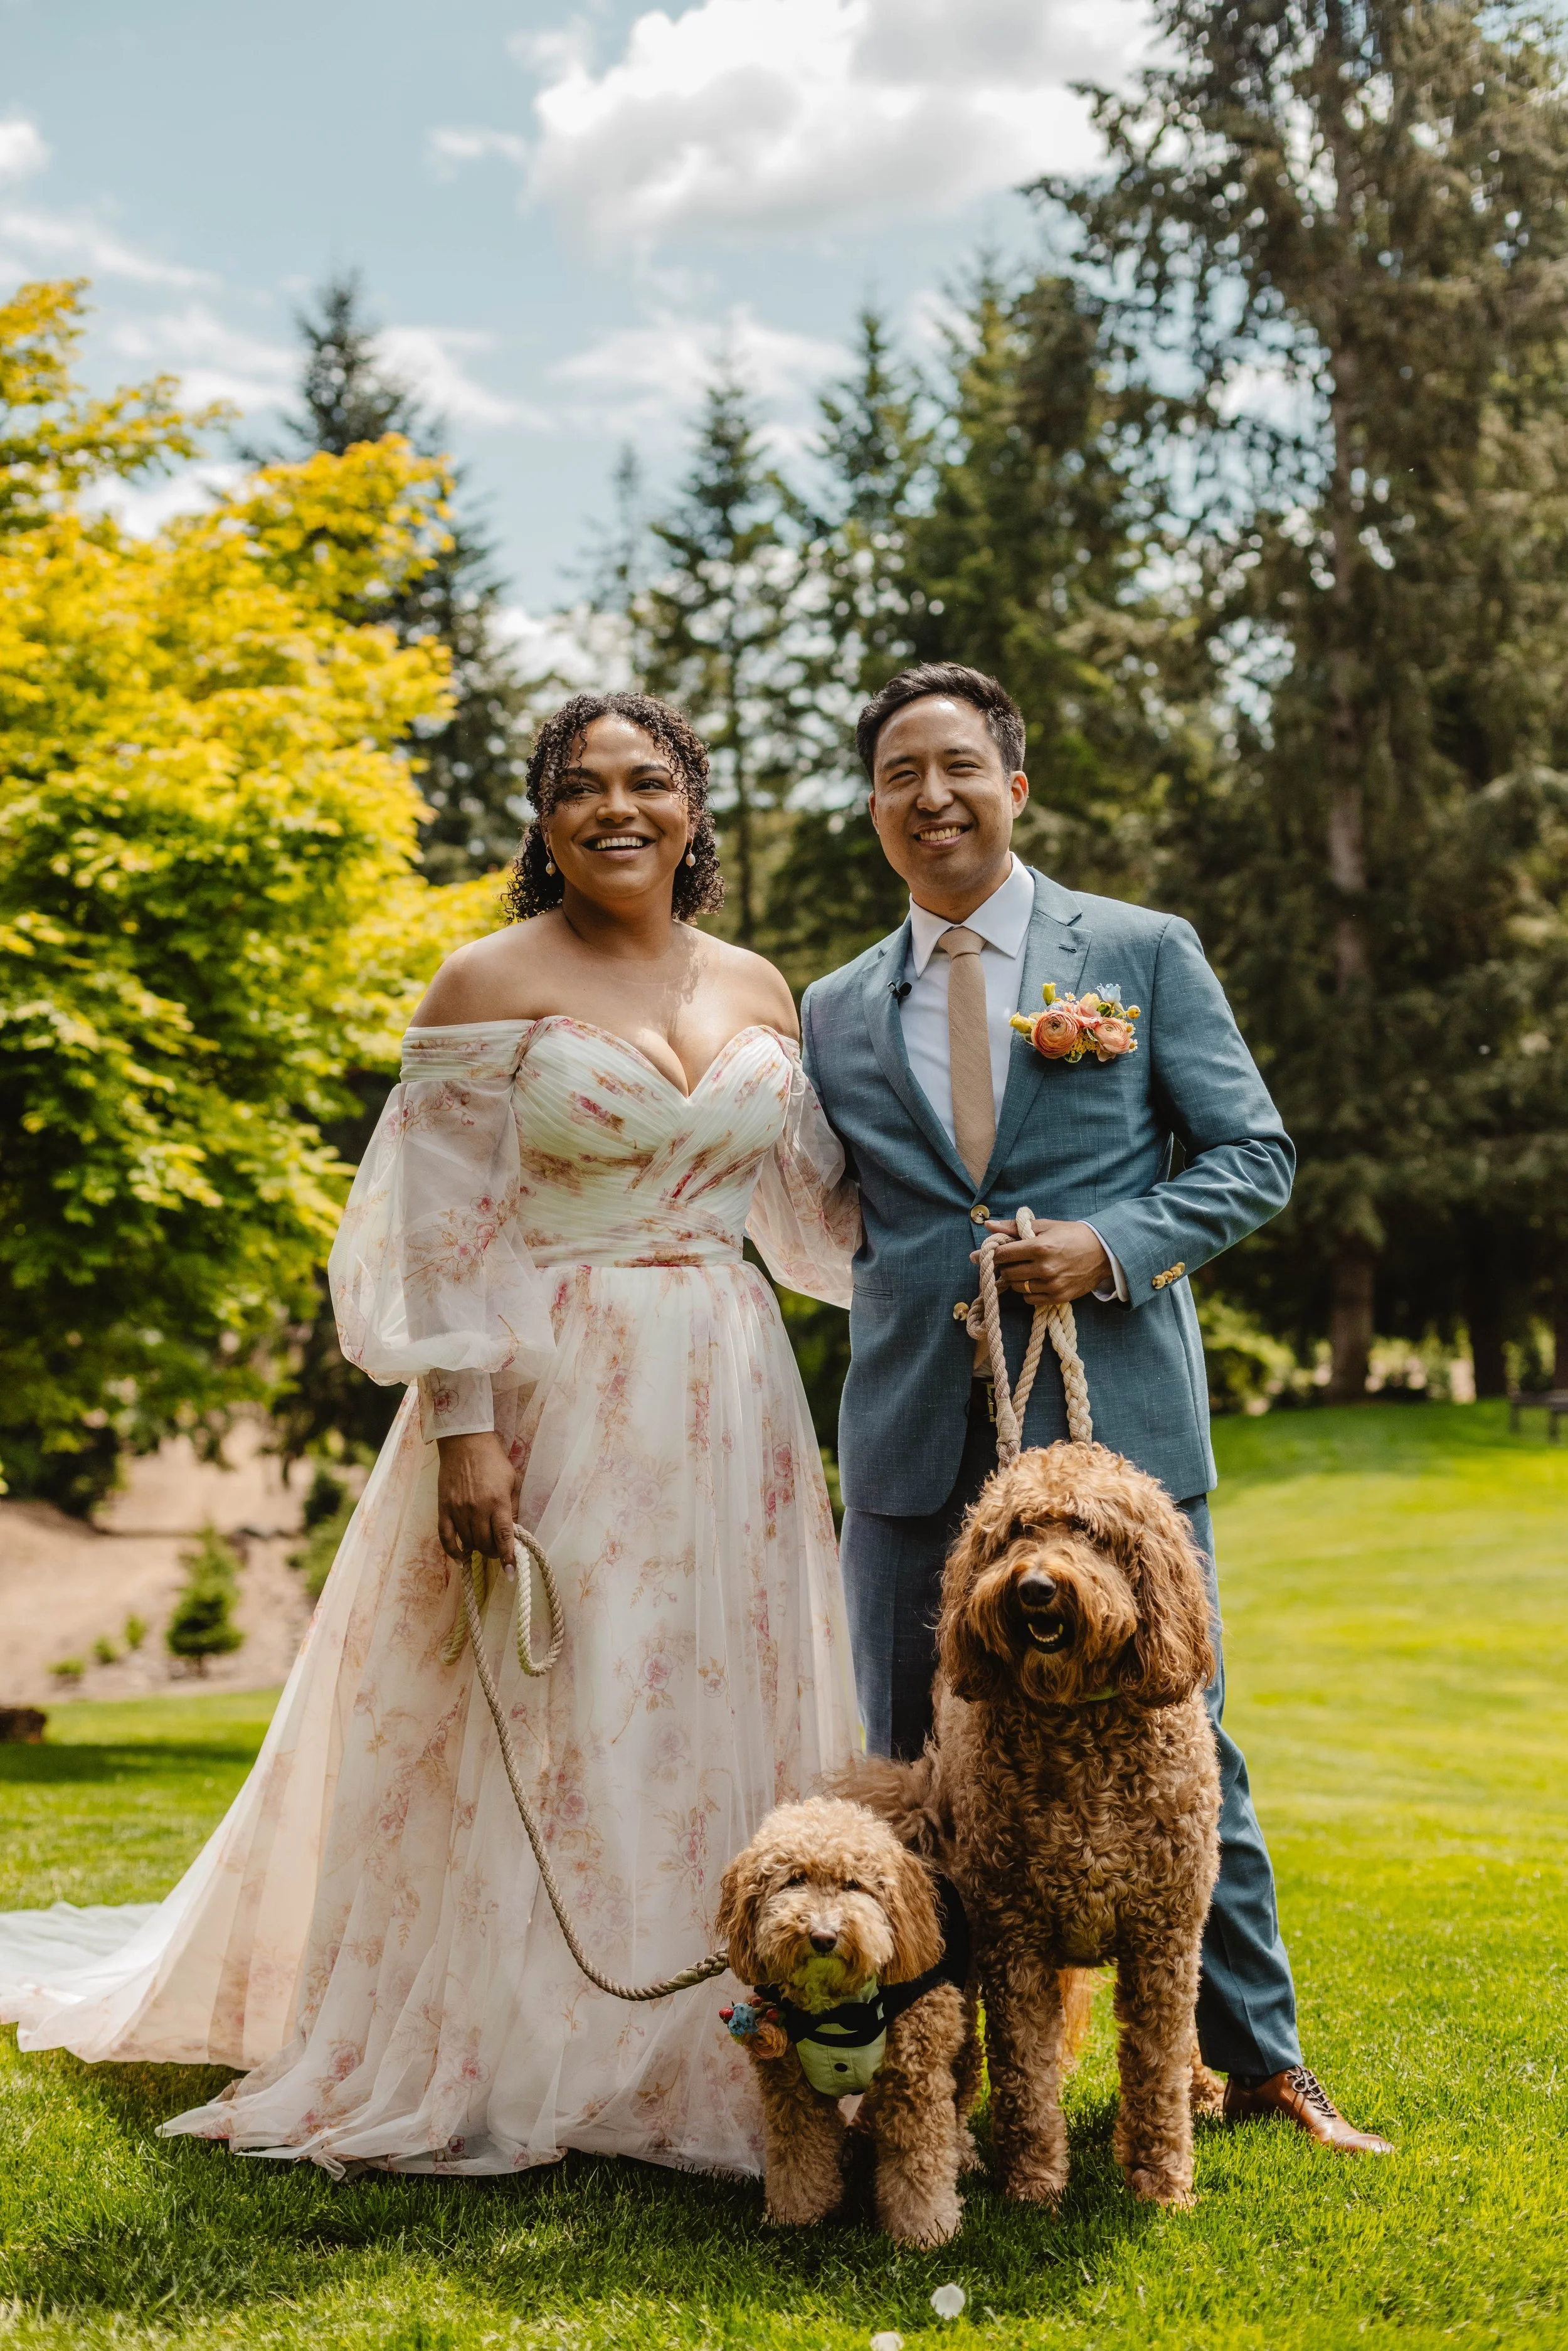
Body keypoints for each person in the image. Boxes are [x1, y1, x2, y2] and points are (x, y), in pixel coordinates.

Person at [0, 691, 862, 2179]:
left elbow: (818, 1222)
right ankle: (532, 2043)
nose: (616, 808)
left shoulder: (759, 985)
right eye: (578, 786)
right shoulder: (484, 979)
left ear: (693, 807)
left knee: (716, 1690)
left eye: (646, 782)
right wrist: (463, 1425)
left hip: (732, 1393)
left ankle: (728, 2029)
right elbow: (436, 1235)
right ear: (540, 819)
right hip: (546, 1387)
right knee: (565, 1693)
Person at [801, 661, 1393, 2157]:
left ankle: (1255, 2057)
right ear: (871, 806)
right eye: (894, 774)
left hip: (1113, 1419)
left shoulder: (1133, 950)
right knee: (913, 1761)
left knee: (1187, 1736)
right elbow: (822, 1207)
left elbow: (1251, 1155)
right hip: (911, 1434)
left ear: (1015, 781)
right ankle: (916, 2090)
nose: (927, 796)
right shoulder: (831, 1004)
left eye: (954, 766)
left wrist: (1111, 1243)